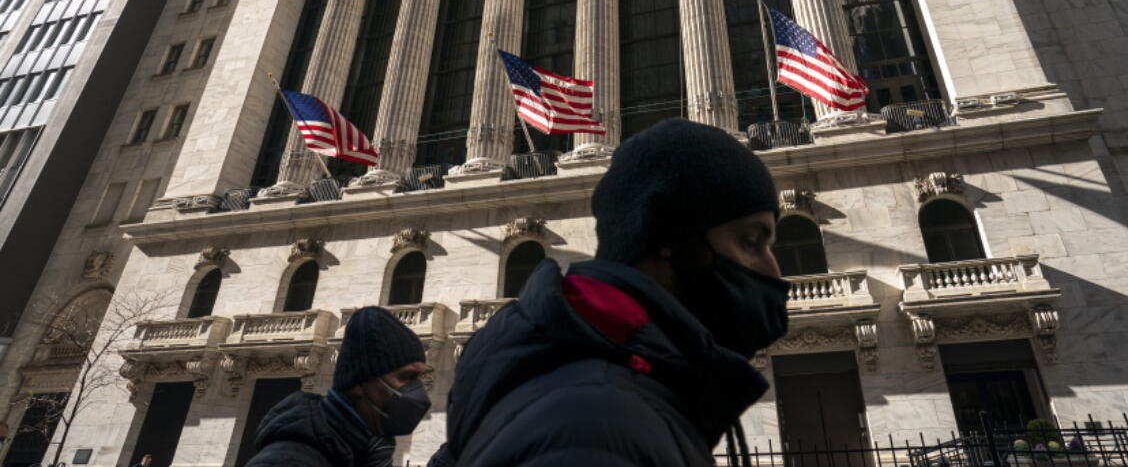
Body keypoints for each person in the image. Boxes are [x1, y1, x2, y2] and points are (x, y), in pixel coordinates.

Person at [441, 118, 790, 467]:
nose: (774, 272)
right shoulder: (592, 422)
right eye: (750, 241)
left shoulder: (625, 396)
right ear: (671, 234)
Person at [246, 306, 431, 467]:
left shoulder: (368, 452)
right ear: (360, 382)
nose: (417, 389)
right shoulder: (286, 461)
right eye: (407, 376)